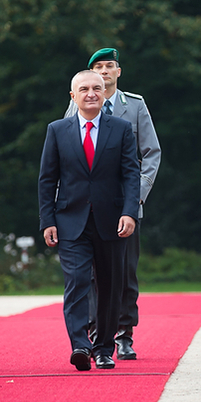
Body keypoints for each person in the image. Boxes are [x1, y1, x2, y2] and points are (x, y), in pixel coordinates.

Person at [39, 70, 140, 370]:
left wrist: (130, 212)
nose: (91, 93)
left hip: (112, 221)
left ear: (104, 93)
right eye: (84, 89)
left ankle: (104, 348)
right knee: (78, 281)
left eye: (97, 88)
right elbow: (47, 179)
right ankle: (80, 345)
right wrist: (48, 220)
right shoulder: (57, 130)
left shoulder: (121, 129)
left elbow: (131, 175)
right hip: (70, 221)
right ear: (73, 96)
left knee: (110, 287)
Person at [65, 47, 162, 360]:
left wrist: (136, 199)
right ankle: (95, 331)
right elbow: (66, 151)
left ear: (119, 71)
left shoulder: (134, 106)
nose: (104, 71)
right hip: (87, 206)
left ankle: (123, 333)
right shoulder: (76, 104)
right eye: (98, 67)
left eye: (109, 66)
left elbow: (151, 153)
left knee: (124, 272)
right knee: (90, 274)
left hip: (125, 205)